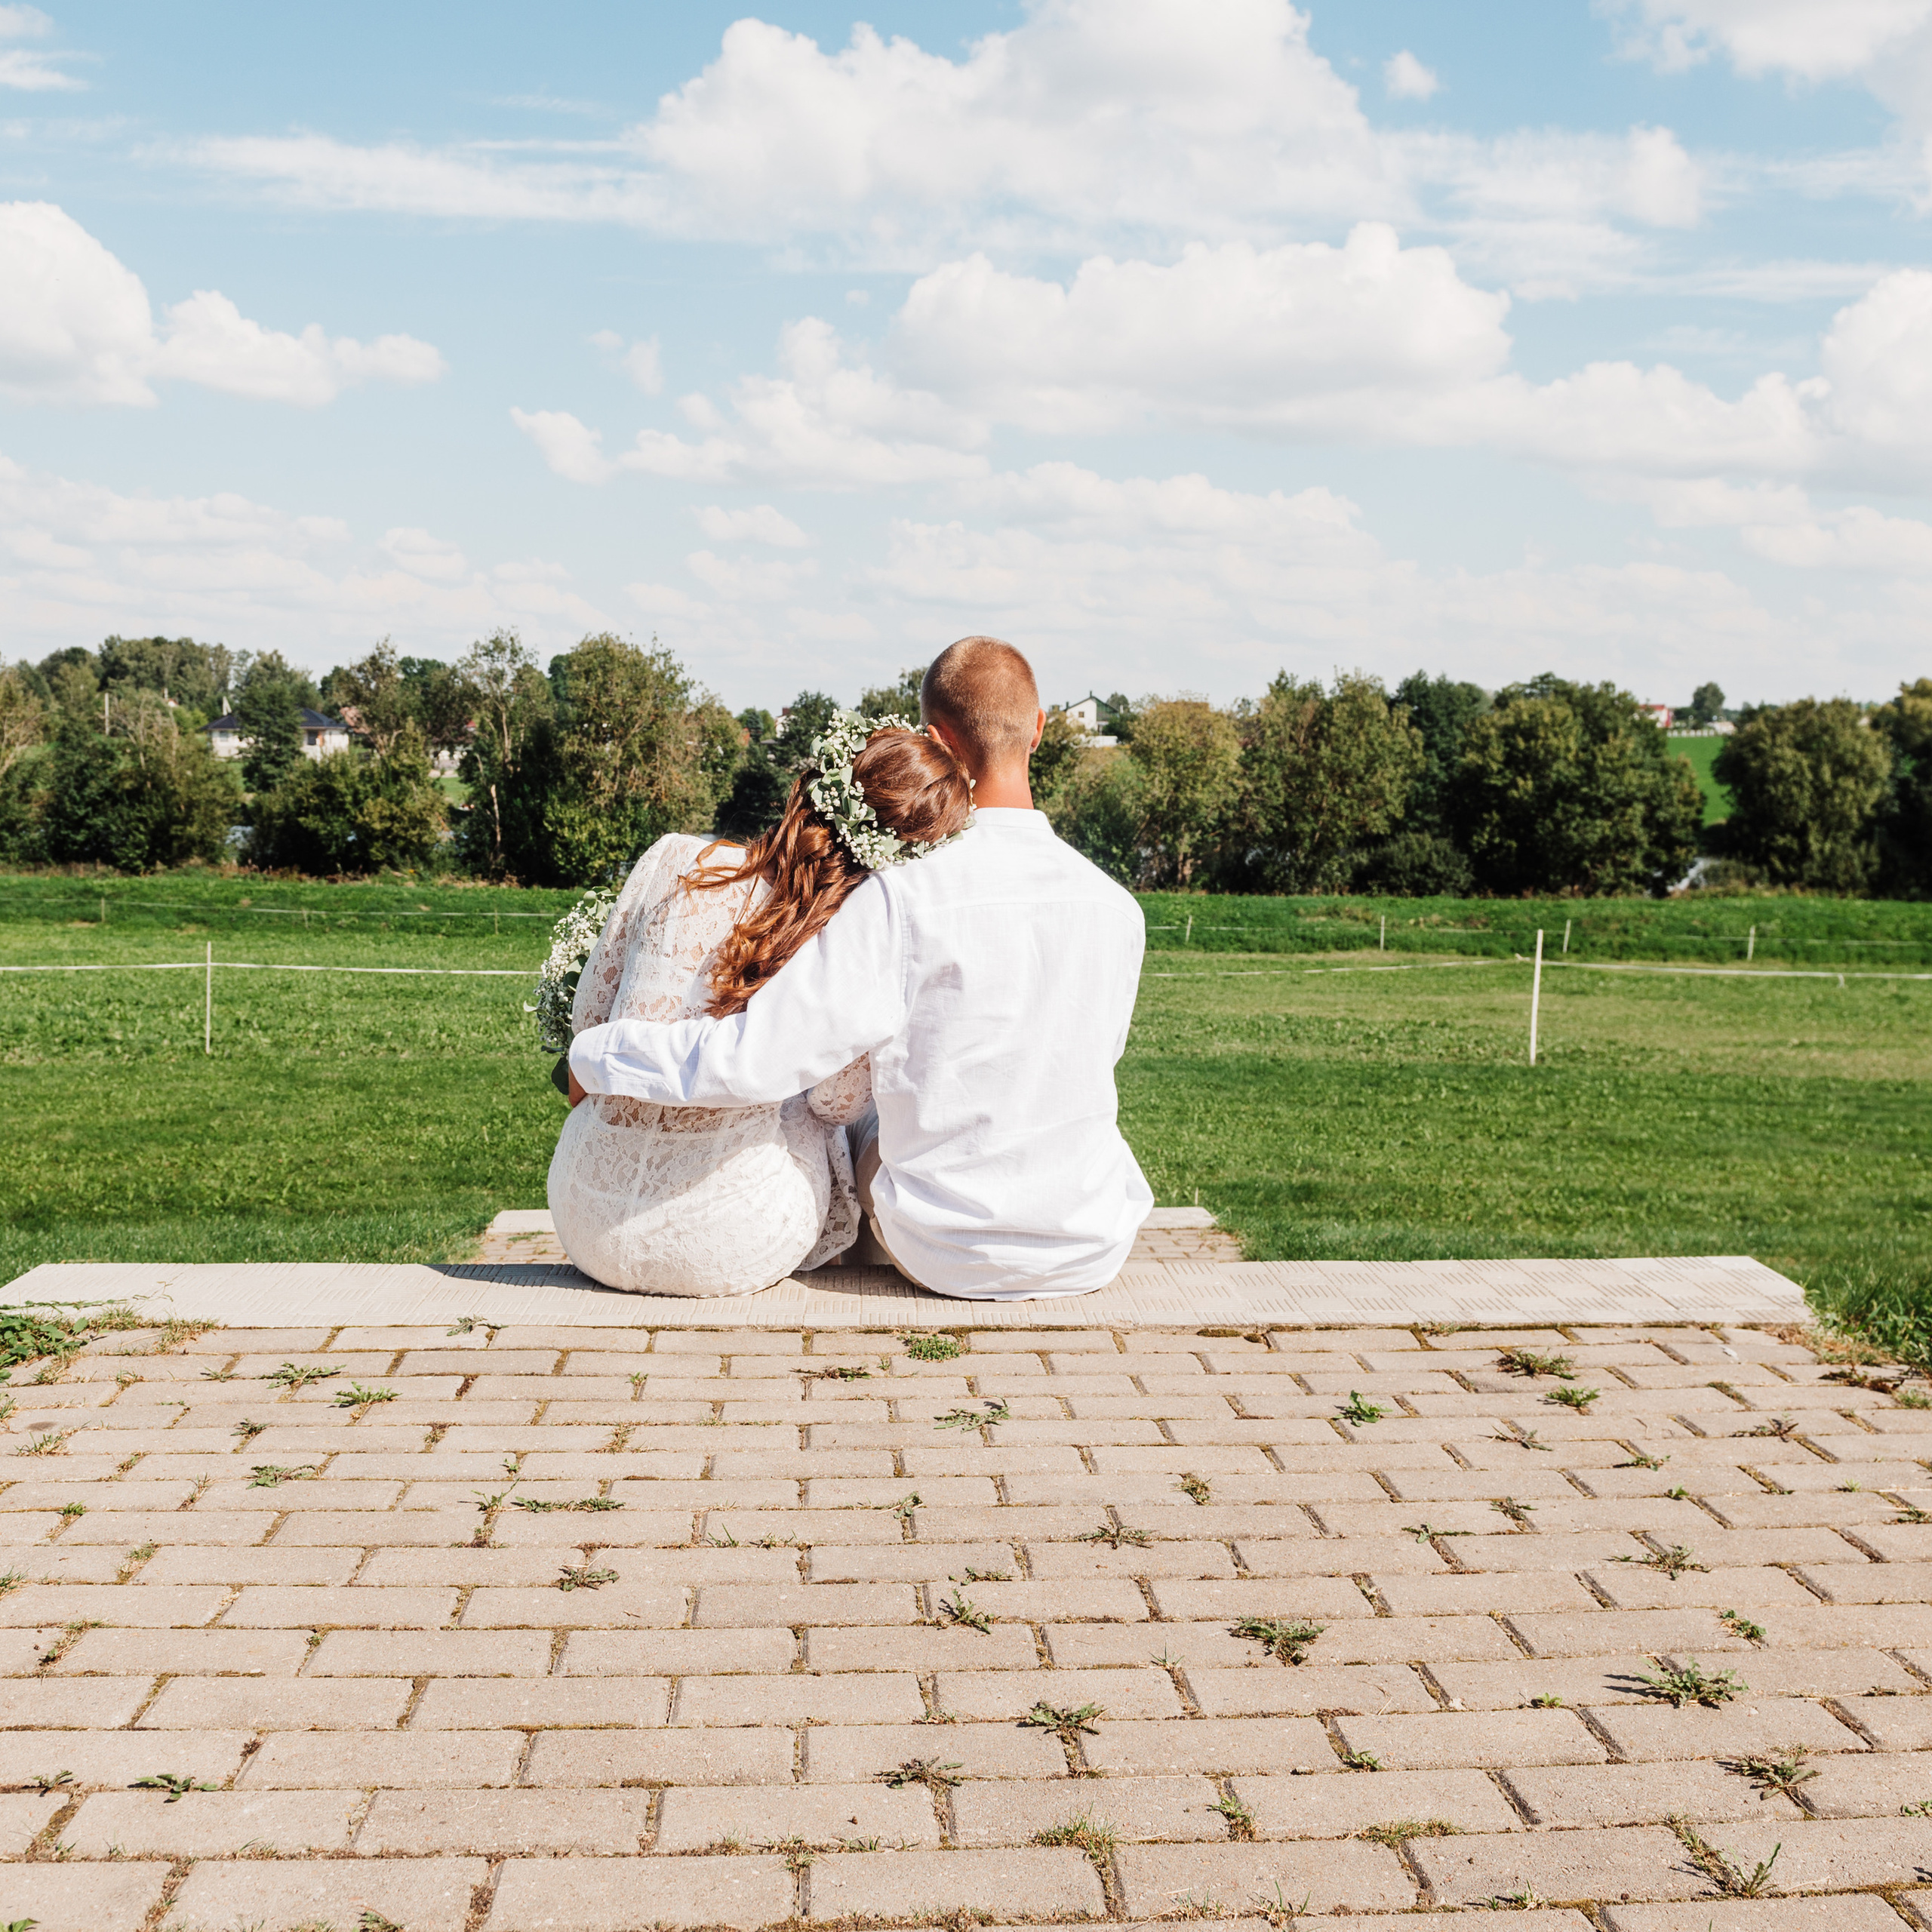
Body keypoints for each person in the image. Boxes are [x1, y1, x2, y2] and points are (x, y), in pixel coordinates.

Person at [568, 636, 1153, 1300]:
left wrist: (597, 1053)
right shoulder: (1117, 907)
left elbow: (754, 1063)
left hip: (947, 1250)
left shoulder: (902, 895)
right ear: (1040, 729)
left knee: (848, 1116)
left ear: (936, 740)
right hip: (1091, 1244)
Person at [548, 718, 973, 1296]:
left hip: (584, 1213)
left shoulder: (673, 857)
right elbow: (833, 1101)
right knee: (822, 1118)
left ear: (808, 787)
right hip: (727, 1237)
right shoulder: (836, 942)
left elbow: (589, 1024)